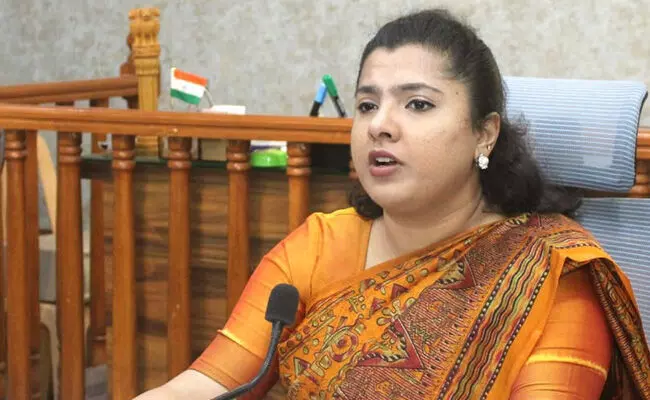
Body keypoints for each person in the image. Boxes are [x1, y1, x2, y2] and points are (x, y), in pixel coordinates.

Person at [135, 8, 650, 400]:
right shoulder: (321, 245)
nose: (379, 124)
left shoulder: (552, 277)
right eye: (366, 105)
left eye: (417, 104)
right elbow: (205, 385)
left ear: (484, 134)